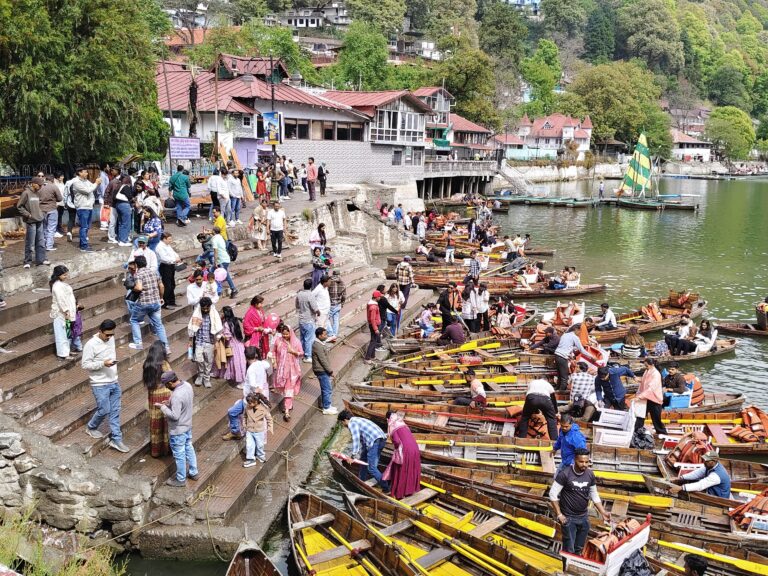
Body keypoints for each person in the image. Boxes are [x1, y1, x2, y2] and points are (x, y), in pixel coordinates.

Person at [550, 449, 611, 560]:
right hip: (568, 518)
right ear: (575, 460)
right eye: (581, 462)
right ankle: (567, 571)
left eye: (587, 462)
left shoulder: (590, 475)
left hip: (583, 517)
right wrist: (559, 514)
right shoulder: (565, 474)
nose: (584, 465)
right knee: (569, 550)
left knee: (579, 548)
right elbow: (553, 494)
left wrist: (603, 512)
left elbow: (594, 494)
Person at [82, 319, 129, 452]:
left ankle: (116, 439)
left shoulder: (111, 339)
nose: (109, 337)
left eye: (112, 335)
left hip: (114, 381)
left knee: (115, 412)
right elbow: (85, 364)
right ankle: (91, 427)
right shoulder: (91, 345)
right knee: (104, 410)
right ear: (100, 332)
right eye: (107, 335)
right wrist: (103, 363)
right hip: (99, 383)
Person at [158, 370, 198, 487]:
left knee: (179, 454)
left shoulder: (176, 395)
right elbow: (184, 404)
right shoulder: (187, 385)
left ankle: (180, 479)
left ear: (170, 383)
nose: (166, 387)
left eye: (166, 385)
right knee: (189, 448)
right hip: (188, 426)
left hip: (178, 430)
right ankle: (194, 472)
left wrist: (163, 408)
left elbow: (175, 416)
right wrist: (169, 403)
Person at [223, 347, 273, 440]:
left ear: (245, 357)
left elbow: (253, 385)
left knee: (234, 413)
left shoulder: (251, 370)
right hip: (255, 398)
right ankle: (237, 431)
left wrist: (255, 391)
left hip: (251, 400)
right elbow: (267, 364)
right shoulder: (261, 364)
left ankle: (237, 432)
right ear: (256, 355)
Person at [338, 410, 390, 493]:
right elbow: (362, 440)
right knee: (363, 459)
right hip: (381, 439)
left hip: (374, 441)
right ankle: (361, 480)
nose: (343, 425)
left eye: (342, 423)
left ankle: (386, 488)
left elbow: (356, 439)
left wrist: (353, 456)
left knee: (371, 468)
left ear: (344, 420)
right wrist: (360, 452)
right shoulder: (357, 419)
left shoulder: (352, 423)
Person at [129, 255, 169, 354]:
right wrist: (161, 298)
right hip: (155, 303)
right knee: (159, 325)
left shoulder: (139, 274)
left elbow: (138, 288)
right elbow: (162, 286)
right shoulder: (154, 272)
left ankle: (138, 343)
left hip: (144, 303)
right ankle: (166, 347)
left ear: (137, 265)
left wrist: (131, 288)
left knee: (134, 320)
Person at [143, 341, 171, 458]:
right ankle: (166, 449)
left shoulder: (147, 364)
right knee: (165, 422)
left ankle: (155, 451)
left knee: (155, 423)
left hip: (153, 395)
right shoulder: (164, 364)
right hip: (165, 394)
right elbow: (171, 378)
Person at [384, 411, 421, 498]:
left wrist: (397, 449)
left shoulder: (392, 425)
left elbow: (396, 441)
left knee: (401, 470)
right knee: (411, 469)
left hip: (406, 449)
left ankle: (400, 494)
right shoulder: (402, 422)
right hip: (415, 448)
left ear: (388, 419)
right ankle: (410, 491)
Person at [188, 297, 223, 388]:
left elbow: (218, 329)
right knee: (199, 359)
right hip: (199, 341)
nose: (206, 310)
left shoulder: (214, 315)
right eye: (204, 308)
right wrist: (190, 341)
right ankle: (200, 375)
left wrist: (216, 342)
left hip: (210, 341)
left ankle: (206, 378)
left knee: (208, 361)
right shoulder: (197, 314)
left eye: (207, 308)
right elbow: (192, 327)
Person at [272, 323, 303, 421]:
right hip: (281, 371)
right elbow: (274, 352)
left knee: (288, 390)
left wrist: (293, 351)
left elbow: (301, 353)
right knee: (284, 389)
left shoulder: (296, 342)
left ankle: (286, 412)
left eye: (287, 334)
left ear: (291, 333)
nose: (285, 336)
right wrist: (274, 362)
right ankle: (289, 405)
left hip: (292, 372)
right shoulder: (278, 341)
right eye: (283, 334)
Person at [17, 177, 48, 268]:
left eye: (41, 185)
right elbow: (19, 206)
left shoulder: (38, 193)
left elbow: (41, 204)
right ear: (33, 183)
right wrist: (27, 214)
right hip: (31, 221)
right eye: (39, 185)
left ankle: (41, 259)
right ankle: (27, 261)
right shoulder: (26, 193)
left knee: (41, 241)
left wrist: (42, 213)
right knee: (30, 242)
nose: (40, 187)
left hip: (40, 220)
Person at [50, 265, 80, 360]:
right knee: (61, 334)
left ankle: (67, 351)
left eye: (66, 274)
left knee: (67, 333)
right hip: (61, 314)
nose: (66, 276)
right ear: (58, 275)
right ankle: (63, 354)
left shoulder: (61, 284)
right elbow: (61, 300)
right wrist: (66, 311)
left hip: (67, 313)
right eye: (64, 275)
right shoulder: (57, 286)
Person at [213, 306, 247, 385]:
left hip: (232, 345)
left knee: (234, 363)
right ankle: (242, 380)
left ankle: (239, 381)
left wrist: (221, 336)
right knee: (241, 362)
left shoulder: (226, 324)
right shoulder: (236, 320)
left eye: (221, 313)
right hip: (239, 344)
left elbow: (228, 337)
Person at [553, 325, 594, 392]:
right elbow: (582, 350)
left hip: (557, 355)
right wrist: (591, 357)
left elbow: (565, 346)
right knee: (564, 378)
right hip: (562, 356)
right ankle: (561, 393)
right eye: (579, 331)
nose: (579, 333)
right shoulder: (575, 337)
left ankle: (557, 390)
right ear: (576, 330)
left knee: (560, 375)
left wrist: (569, 355)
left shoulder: (565, 335)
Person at [71, 166, 101, 252]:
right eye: (85, 172)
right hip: (82, 207)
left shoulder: (86, 181)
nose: (87, 174)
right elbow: (88, 190)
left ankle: (83, 244)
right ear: (80, 173)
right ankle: (83, 246)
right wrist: (96, 183)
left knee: (87, 227)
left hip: (88, 206)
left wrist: (97, 182)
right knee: (84, 227)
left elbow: (93, 187)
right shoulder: (76, 182)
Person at [635, 357, 667, 434]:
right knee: (640, 416)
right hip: (646, 398)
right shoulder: (647, 371)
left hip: (654, 399)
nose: (645, 367)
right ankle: (636, 431)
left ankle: (662, 433)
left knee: (656, 419)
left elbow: (651, 389)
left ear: (652, 365)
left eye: (647, 365)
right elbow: (644, 381)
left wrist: (639, 396)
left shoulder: (656, 374)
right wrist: (639, 379)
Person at [242, 392, 274, 467]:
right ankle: (251, 459)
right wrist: (244, 425)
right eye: (248, 402)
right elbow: (245, 416)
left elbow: (269, 419)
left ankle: (261, 455)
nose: (249, 404)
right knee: (249, 445)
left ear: (256, 401)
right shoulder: (247, 407)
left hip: (259, 431)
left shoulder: (263, 409)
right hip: (249, 430)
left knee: (260, 445)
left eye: (251, 402)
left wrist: (270, 427)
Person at [312, 327, 337, 415]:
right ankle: (326, 407)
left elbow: (325, 341)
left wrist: (329, 340)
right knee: (327, 389)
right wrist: (330, 371)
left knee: (326, 388)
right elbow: (322, 360)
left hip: (322, 370)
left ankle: (327, 405)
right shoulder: (317, 346)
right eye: (324, 335)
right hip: (321, 370)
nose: (326, 336)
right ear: (319, 336)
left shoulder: (319, 342)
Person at [295, 278, 319, 363]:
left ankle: (301, 353)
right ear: (311, 286)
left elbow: (297, 306)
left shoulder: (299, 294)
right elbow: (314, 307)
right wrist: (318, 312)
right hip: (309, 319)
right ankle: (307, 356)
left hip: (301, 319)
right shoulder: (310, 295)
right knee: (309, 339)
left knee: (302, 338)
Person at [156, 233, 182, 310]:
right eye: (169, 239)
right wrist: (174, 259)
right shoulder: (160, 247)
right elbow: (164, 258)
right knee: (167, 285)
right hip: (165, 266)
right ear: (164, 239)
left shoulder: (167, 246)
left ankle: (171, 301)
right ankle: (165, 303)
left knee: (172, 284)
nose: (171, 240)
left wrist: (177, 257)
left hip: (171, 266)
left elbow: (173, 253)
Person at [211, 225, 238, 298]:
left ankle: (231, 289)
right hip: (225, 258)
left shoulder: (214, 239)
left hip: (222, 260)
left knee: (222, 274)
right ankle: (231, 289)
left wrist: (215, 261)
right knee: (213, 272)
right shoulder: (220, 236)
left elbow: (215, 251)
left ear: (213, 231)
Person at [39, 176, 62, 252]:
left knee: (44, 227)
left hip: (41, 209)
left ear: (46, 179)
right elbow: (60, 198)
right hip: (52, 209)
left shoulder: (40, 186)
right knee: (51, 228)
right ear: (53, 180)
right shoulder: (54, 187)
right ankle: (49, 245)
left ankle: (44, 243)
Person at [364, 290, 383, 363]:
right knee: (373, 341)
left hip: (373, 324)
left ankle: (372, 356)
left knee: (374, 340)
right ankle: (367, 358)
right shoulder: (373, 307)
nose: (380, 298)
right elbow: (372, 319)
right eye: (379, 297)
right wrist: (375, 329)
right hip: (374, 325)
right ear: (376, 297)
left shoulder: (371, 304)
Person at [327, 270, 346, 342]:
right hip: (338, 304)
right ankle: (334, 334)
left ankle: (331, 334)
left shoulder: (329, 282)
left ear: (333, 274)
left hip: (330, 304)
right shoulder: (342, 283)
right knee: (336, 319)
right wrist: (342, 304)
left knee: (326, 319)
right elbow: (344, 296)